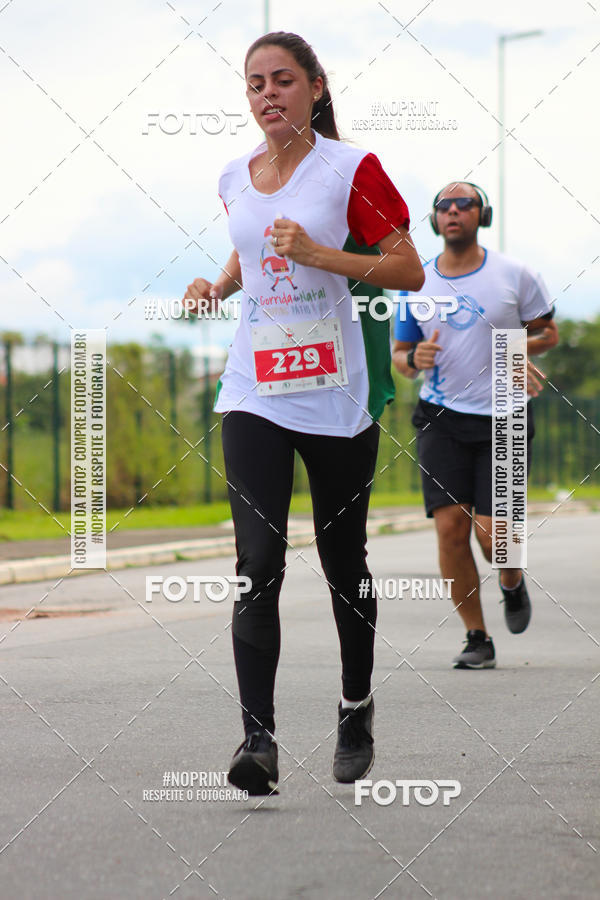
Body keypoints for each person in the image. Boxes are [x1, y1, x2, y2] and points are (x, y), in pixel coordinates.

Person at [183, 32, 424, 794]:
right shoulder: (233, 174)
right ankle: (259, 742)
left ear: (316, 87)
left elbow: (407, 268)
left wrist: (324, 255)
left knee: (342, 562)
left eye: (282, 80)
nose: (267, 95)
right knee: (258, 562)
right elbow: (251, 246)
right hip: (254, 389)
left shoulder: (352, 169)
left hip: (335, 397)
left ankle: (355, 708)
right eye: (254, 84)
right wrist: (217, 287)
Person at [392, 181, 558, 669]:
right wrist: (411, 358)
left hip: (504, 417)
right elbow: (401, 357)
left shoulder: (515, 274)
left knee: (494, 536)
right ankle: (476, 637)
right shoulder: (417, 281)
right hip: (441, 417)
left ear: (481, 216)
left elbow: (546, 331)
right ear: (435, 219)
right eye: (444, 204)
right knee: (449, 529)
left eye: (466, 203)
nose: (454, 210)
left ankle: (511, 581)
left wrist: (514, 347)